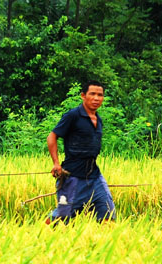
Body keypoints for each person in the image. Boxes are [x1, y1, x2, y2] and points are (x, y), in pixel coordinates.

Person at [46, 80, 116, 223]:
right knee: (62, 217)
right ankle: (41, 234)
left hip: (94, 176)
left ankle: (107, 243)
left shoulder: (98, 119)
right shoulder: (73, 116)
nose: (96, 98)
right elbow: (52, 137)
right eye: (92, 94)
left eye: (100, 95)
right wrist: (56, 163)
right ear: (83, 96)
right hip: (72, 176)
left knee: (108, 212)